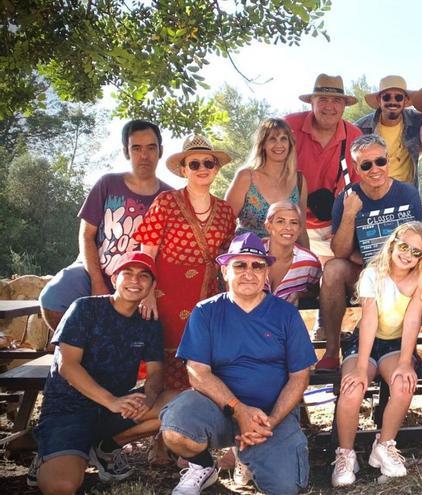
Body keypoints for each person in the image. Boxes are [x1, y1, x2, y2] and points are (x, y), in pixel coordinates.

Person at [160, 233, 316, 495]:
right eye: (240, 265)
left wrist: (270, 423)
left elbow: (300, 375)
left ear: (266, 272)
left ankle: (248, 456)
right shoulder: (205, 312)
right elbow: (197, 372)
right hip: (218, 409)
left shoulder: (285, 314)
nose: (249, 272)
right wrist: (239, 410)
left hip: (270, 415)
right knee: (177, 426)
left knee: (286, 487)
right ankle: (202, 467)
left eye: (257, 265)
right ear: (225, 271)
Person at [29, 252, 171, 494]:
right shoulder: (85, 308)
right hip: (68, 410)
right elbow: (67, 365)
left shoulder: (149, 323)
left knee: (176, 403)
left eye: (143, 276)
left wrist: (148, 396)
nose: (135, 281)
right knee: (62, 486)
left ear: (152, 286)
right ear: (114, 279)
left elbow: (156, 372)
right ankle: (48, 454)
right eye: (127, 273)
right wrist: (112, 401)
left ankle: (105, 447)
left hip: (112, 409)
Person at [38, 120, 172, 338]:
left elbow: (167, 254)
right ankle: (76, 351)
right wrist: (97, 282)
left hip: (139, 276)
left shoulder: (170, 197)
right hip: (95, 268)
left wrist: (152, 290)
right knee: (53, 296)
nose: (144, 155)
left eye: (151, 147)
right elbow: (86, 235)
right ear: (126, 152)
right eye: (136, 148)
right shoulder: (108, 184)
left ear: (161, 151)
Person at [332, 222, 422, 487]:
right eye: (404, 246)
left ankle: (384, 445)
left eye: (416, 252)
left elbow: (412, 320)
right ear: (392, 243)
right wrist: (359, 367)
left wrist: (405, 362)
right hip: (366, 342)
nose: (408, 255)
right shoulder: (373, 273)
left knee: (404, 384)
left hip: (396, 345)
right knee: (353, 388)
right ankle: (345, 454)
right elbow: (369, 321)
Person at [133, 135, 236, 391]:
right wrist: (147, 294)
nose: (202, 169)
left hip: (207, 295)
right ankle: (164, 424)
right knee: (168, 357)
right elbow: (147, 251)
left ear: (216, 168)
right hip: (166, 294)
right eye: (194, 164)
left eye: (208, 163)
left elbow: (227, 255)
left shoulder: (224, 211)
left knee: (203, 359)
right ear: (183, 170)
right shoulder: (166, 202)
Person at [316, 134, 422, 370]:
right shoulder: (346, 198)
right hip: (363, 271)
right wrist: (349, 214)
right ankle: (333, 350)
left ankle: (409, 347)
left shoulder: (408, 194)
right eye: (366, 165)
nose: (375, 169)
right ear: (355, 168)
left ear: (388, 160)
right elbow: (340, 252)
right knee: (332, 270)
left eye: (380, 162)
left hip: (402, 271)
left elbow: (417, 242)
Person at [284, 74, 363, 261]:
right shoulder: (289, 126)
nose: (329, 106)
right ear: (311, 102)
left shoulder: (355, 135)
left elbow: (361, 188)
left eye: (336, 100)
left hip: (330, 226)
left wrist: (343, 227)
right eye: (323, 100)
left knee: (336, 273)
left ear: (344, 106)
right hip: (289, 219)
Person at [225, 118, 309, 244]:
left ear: (290, 143)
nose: (279, 144)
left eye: (283, 139)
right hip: (248, 255)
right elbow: (225, 223)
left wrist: (309, 260)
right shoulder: (246, 177)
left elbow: (301, 229)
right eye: (272, 139)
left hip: (287, 255)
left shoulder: (299, 180)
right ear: (262, 144)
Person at [355, 75, 422, 186]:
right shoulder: (362, 128)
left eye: (398, 98)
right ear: (379, 100)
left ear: (405, 100)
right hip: (374, 192)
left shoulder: (418, 121)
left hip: (407, 192)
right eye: (387, 97)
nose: (393, 102)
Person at [263, 201, 322, 307]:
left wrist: (300, 295)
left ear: (300, 229)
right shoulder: (252, 255)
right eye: (280, 221)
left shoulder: (309, 262)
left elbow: (316, 293)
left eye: (294, 222)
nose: (288, 228)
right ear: (268, 226)